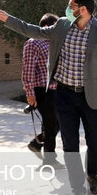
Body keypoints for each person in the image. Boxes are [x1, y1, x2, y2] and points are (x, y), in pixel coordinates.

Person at [0, 0, 97, 195]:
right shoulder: (62, 25)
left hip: (91, 96)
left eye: (72, 6)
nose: (68, 9)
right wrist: (8, 19)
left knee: (95, 141)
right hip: (64, 94)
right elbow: (34, 30)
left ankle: (92, 174)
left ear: (83, 9)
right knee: (70, 143)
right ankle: (78, 191)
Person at [22, 13, 61, 164]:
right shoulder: (33, 43)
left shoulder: (55, 43)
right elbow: (28, 70)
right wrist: (30, 93)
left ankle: (37, 143)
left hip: (57, 90)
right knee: (51, 124)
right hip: (42, 91)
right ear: (46, 27)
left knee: (57, 123)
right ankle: (50, 160)